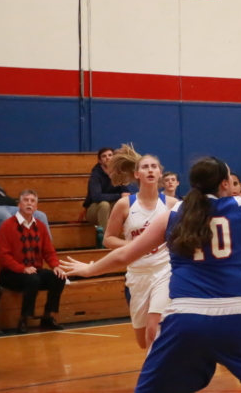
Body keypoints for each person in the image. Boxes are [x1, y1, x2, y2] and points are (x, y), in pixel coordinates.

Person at [60, 104, 241, 393]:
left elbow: (126, 253)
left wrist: (89, 269)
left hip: (186, 317)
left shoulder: (174, 213)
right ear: (225, 184)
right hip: (237, 316)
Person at [101, 144, 179, 349]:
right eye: (145, 167)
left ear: (160, 173)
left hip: (164, 271)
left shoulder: (171, 204)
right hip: (137, 274)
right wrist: (134, 245)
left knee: (154, 331)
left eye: (154, 166)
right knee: (143, 341)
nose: (151, 170)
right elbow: (108, 239)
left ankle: (156, 377)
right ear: (137, 173)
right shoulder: (125, 205)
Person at [0, 190, 67, 334]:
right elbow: (4, 256)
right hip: (10, 273)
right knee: (32, 280)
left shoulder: (40, 226)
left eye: (32, 201)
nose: (29, 203)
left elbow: (48, 250)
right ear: (19, 204)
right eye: (26, 200)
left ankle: (48, 317)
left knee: (58, 277)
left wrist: (56, 266)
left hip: (33, 271)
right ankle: (24, 319)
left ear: (36, 206)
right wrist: (22, 268)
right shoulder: (7, 225)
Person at [84, 147, 130, 229]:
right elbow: (96, 197)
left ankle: (129, 235)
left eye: (110, 155)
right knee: (104, 205)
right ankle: (104, 238)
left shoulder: (118, 173)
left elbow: (126, 194)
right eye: (104, 156)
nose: (107, 158)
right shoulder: (96, 175)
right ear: (100, 161)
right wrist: (119, 196)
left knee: (126, 203)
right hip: (94, 210)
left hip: (111, 208)